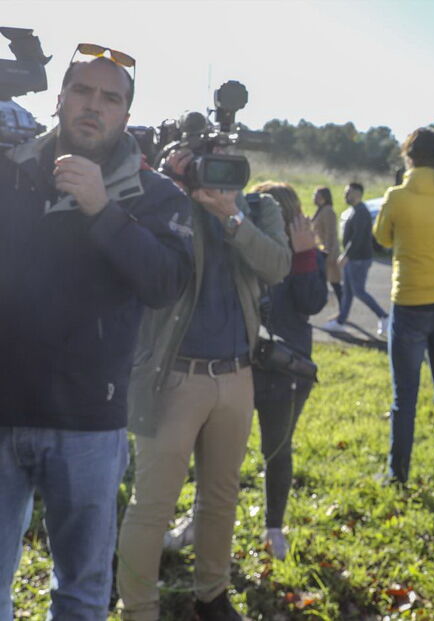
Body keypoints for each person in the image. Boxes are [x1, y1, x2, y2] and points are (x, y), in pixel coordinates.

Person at [0, 50, 193, 619]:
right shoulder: (12, 173)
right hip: (1, 410)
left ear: (126, 116)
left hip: (89, 421)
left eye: (111, 99)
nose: (94, 106)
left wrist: (103, 210)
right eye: (83, 91)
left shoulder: (157, 196)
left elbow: (165, 283)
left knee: (81, 589)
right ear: (58, 100)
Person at [117, 148, 291, 619]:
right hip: (173, 375)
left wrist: (231, 215)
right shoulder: (165, 200)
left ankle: (212, 595)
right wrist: (171, 184)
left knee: (221, 496)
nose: (218, 174)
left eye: (226, 162)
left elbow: (277, 265)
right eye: (204, 161)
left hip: (235, 374)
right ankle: (139, 609)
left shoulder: (257, 207)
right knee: (152, 505)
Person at [373, 128, 434, 487]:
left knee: (405, 397)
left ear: (409, 157)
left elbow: (381, 238)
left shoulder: (397, 196)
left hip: (410, 304)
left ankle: (397, 474)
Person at [248, 181, 328, 560]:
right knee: (218, 452)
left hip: (285, 372)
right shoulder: (249, 247)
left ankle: (273, 527)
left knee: (276, 450)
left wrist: (304, 255)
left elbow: (311, 302)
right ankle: (201, 519)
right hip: (240, 366)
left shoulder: (308, 255)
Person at [322, 182, 388, 335]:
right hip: (355, 258)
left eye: (348, 192)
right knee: (348, 291)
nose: (346, 195)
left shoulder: (361, 212)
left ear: (358, 194)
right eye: (345, 192)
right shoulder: (355, 210)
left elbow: (358, 237)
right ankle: (340, 321)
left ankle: (384, 316)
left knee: (358, 291)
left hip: (359, 259)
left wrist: (347, 255)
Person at [310, 186, 343, 305]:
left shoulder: (328, 211)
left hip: (328, 253)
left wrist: (328, 253)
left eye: (318, 195)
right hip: (322, 251)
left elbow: (331, 234)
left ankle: (342, 311)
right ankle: (341, 310)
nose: (315, 198)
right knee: (331, 282)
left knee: (335, 283)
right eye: (314, 195)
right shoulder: (321, 210)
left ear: (324, 197)